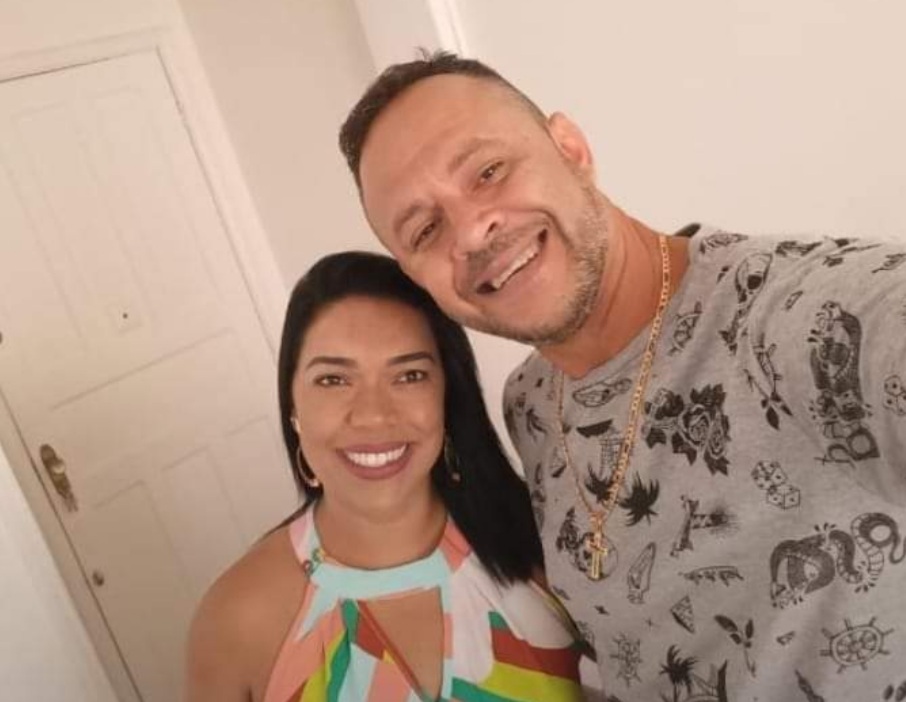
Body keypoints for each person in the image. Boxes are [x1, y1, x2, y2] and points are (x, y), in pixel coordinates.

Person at [338, 51, 906, 701]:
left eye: (489, 172)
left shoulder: (804, 319)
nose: (470, 233)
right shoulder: (530, 402)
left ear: (570, 150)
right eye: (425, 229)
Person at [185, 251, 586, 702]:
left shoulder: (542, 540)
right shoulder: (236, 618)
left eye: (410, 375)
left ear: (447, 396)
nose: (374, 416)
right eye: (334, 380)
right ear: (293, 407)